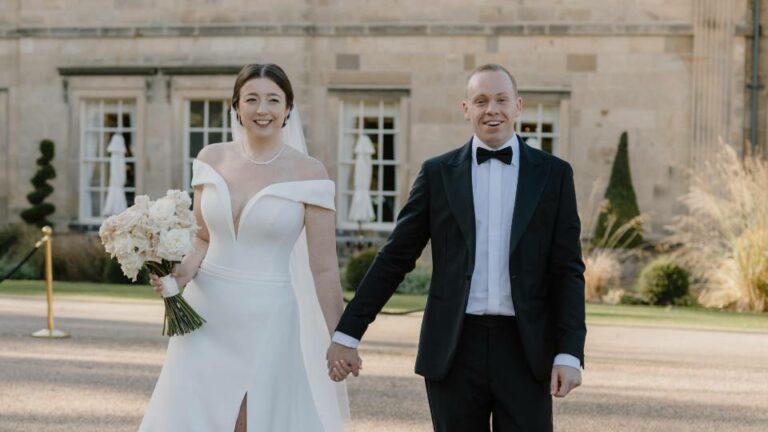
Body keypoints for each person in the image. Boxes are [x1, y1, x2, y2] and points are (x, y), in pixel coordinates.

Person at [327, 64, 586, 431]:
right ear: (466, 109)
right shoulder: (437, 174)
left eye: (501, 100)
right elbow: (395, 258)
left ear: (518, 106)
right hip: (454, 348)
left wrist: (570, 352)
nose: (492, 109)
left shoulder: (554, 174)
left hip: (527, 350)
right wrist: (347, 334)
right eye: (481, 101)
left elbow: (567, 270)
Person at [140, 63, 350, 432]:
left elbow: (324, 268)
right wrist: (180, 275)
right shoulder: (210, 159)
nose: (262, 109)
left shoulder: (310, 173)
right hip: (206, 313)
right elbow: (203, 236)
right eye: (251, 99)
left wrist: (341, 338)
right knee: (195, 411)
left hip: (269, 315)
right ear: (236, 106)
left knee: (250, 419)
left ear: (288, 108)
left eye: (273, 100)